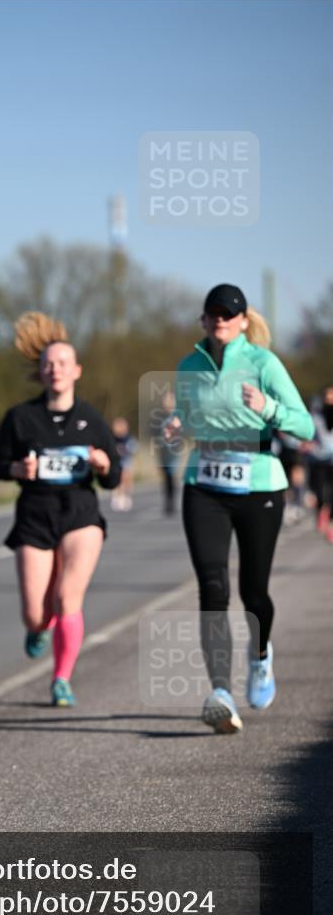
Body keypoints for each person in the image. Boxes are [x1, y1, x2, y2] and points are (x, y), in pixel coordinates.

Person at [164, 284, 314, 733]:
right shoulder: (189, 367)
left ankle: (261, 655)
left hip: (259, 485)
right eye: (213, 313)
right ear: (204, 319)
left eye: (230, 314)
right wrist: (178, 426)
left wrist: (267, 406)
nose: (221, 320)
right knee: (212, 586)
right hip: (204, 485)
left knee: (254, 593)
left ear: (244, 320)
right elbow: (193, 419)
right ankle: (221, 693)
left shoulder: (264, 364)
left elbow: (304, 424)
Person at [0, 312, 121, 706]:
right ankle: (38, 628)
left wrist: (103, 465)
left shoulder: (91, 420)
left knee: (68, 598)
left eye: (63, 363)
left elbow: (113, 479)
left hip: (80, 514)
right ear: (41, 372)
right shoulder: (21, 418)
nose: (56, 369)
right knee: (36, 613)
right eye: (49, 364)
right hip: (35, 515)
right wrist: (17, 468)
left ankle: (61, 678)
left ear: (76, 370)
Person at [308, 385, 333, 542]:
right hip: (317, 458)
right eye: (328, 397)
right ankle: (321, 511)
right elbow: (306, 434)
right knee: (318, 490)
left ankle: (330, 524)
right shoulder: (315, 417)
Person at [151, 390, 181, 515]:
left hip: (173, 452)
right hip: (163, 451)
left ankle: (171, 502)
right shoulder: (159, 418)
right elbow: (155, 436)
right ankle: (167, 501)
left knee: (171, 476)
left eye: (170, 400)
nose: (168, 403)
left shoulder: (178, 417)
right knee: (165, 478)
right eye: (166, 400)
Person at [110, 417, 139, 511]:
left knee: (125, 477)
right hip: (116, 461)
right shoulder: (112, 438)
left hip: (126, 460)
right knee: (117, 478)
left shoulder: (128, 438)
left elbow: (133, 448)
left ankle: (126, 495)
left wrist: (124, 450)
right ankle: (117, 496)